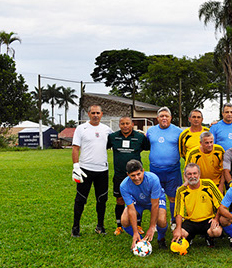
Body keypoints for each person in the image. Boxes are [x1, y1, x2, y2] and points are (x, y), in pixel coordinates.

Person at [71, 104, 113, 237]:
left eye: (98, 113)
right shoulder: (81, 128)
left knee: (102, 199)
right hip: (85, 170)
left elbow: (116, 142)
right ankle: (75, 227)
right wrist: (76, 166)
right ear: (88, 114)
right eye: (93, 113)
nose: (95, 115)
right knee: (80, 199)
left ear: (102, 114)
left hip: (102, 170)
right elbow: (75, 148)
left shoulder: (107, 129)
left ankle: (100, 226)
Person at [107, 115, 150, 236]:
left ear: (132, 124)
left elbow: (146, 147)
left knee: (138, 200)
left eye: (127, 123)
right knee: (119, 200)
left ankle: (138, 224)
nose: (125, 126)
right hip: (120, 174)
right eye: (122, 124)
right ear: (119, 125)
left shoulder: (140, 137)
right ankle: (119, 226)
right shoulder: (113, 137)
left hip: (136, 175)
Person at [119, 159, 168, 249]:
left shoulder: (153, 179)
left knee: (161, 220)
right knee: (124, 221)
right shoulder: (124, 186)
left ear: (143, 171)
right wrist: (135, 232)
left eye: (138, 174)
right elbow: (131, 209)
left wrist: (152, 226)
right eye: (133, 175)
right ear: (128, 175)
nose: (137, 178)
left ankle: (161, 238)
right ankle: (140, 241)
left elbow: (155, 205)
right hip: (138, 202)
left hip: (154, 200)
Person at [172, 162, 224, 248]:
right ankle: (190, 236)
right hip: (191, 221)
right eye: (189, 174)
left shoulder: (208, 184)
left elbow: (221, 203)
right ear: (185, 175)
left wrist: (216, 219)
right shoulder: (181, 190)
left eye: (194, 173)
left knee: (217, 231)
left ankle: (209, 237)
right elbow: (178, 211)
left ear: (199, 174)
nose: (192, 176)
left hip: (208, 220)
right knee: (177, 233)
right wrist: (178, 228)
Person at [147, 107, 183, 225]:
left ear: (171, 118)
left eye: (166, 116)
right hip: (155, 170)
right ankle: (157, 222)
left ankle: (173, 222)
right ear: (157, 118)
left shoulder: (178, 131)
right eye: (161, 116)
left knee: (173, 197)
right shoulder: (151, 131)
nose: (164, 118)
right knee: (156, 198)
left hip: (173, 170)